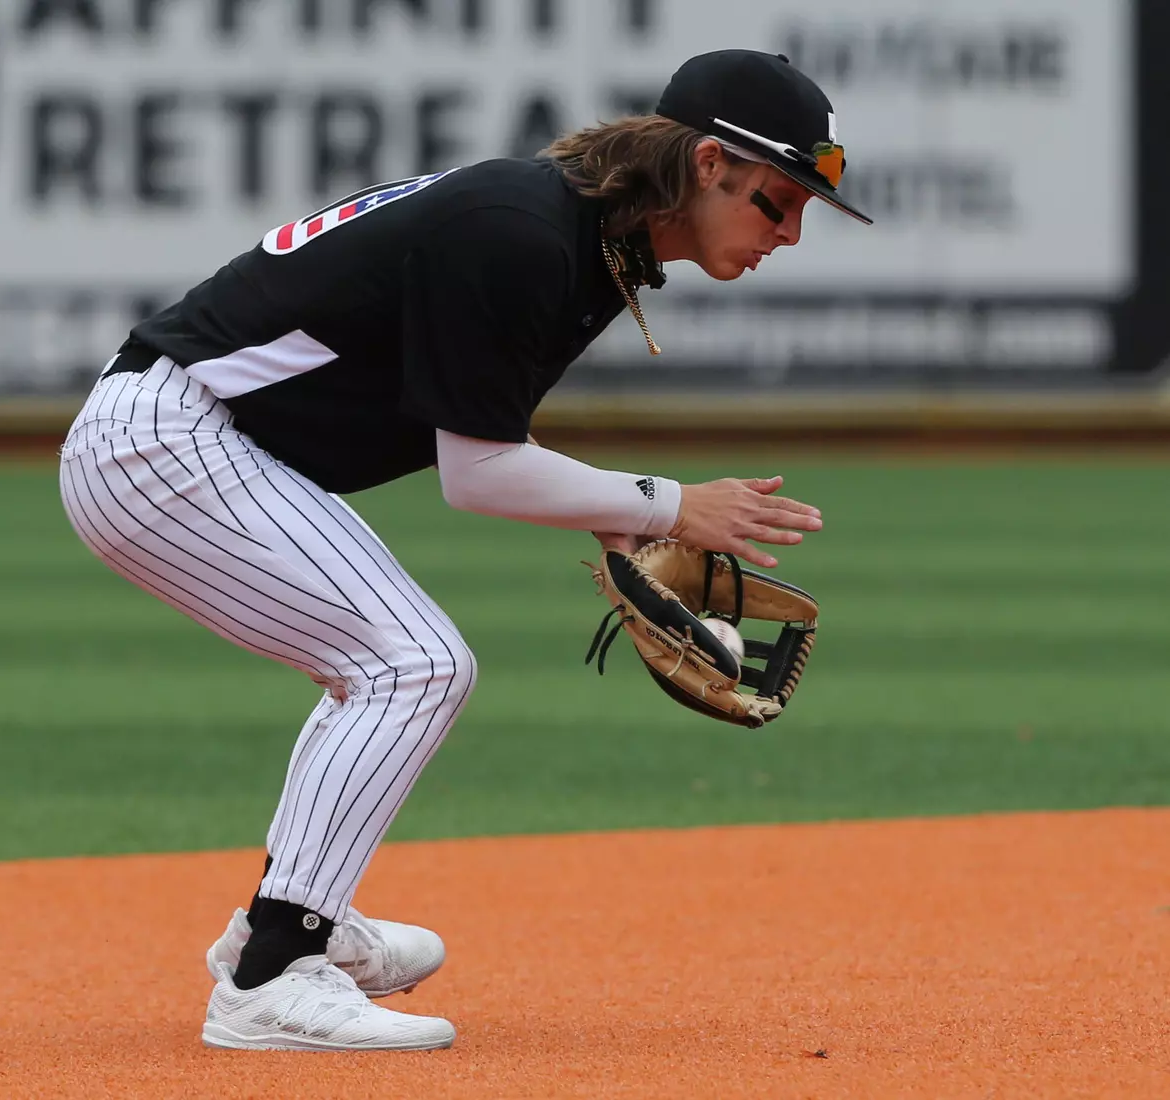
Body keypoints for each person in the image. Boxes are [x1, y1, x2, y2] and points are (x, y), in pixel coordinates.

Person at [57, 49, 870, 1052]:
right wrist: (667, 505)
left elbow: (486, 431)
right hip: (167, 442)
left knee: (390, 664)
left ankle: (288, 921)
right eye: (778, 199)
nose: (788, 232)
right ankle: (273, 973)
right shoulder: (522, 232)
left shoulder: (586, 236)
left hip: (204, 439)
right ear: (708, 163)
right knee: (413, 663)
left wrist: (617, 517)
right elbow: (477, 471)